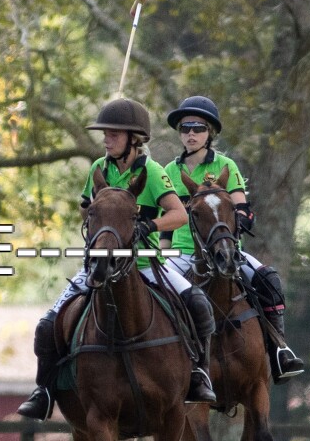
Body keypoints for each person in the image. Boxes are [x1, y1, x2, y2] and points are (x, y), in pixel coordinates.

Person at [16, 98, 216, 420]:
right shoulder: (99, 168)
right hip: (98, 264)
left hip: (144, 265)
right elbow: (85, 208)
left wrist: (147, 225)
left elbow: (179, 214)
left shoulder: (152, 172)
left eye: (113, 135)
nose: (106, 140)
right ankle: (45, 391)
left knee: (198, 303)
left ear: (133, 139)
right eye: (105, 135)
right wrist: (99, 213)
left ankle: (198, 374)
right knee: (47, 325)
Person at [162, 96, 306, 381]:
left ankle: (279, 350)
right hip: (181, 253)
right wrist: (162, 254)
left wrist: (238, 221)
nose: (190, 133)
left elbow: (242, 209)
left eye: (198, 128)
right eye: (185, 128)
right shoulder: (168, 171)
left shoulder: (226, 165)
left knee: (268, 279)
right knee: (155, 290)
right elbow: (166, 222)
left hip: (225, 249)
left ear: (210, 133)